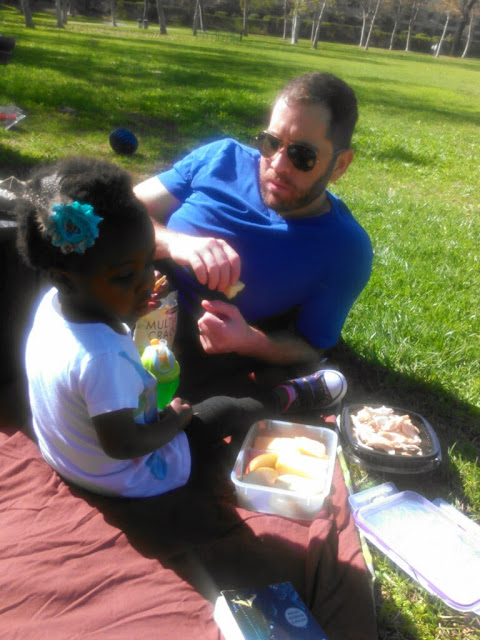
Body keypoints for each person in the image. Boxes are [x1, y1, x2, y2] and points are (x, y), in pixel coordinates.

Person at [16, 157, 347, 499]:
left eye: (149, 262)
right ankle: (284, 398)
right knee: (225, 408)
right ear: (66, 279)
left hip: (69, 456)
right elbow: (124, 444)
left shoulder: (55, 305)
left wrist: (131, 306)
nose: (147, 281)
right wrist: (175, 420)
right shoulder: (102, 358)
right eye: (126, 276)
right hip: (128, 475)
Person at [134, 72, 373, 402]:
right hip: (125, 299)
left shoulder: (345, 249)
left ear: (339, 165)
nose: (277, 165)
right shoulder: (221, 158)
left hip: (193, 359)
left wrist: (249, 340)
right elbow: (122, 208)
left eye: (302, 156)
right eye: (272, 142)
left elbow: (311, 346)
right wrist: (175, 242)